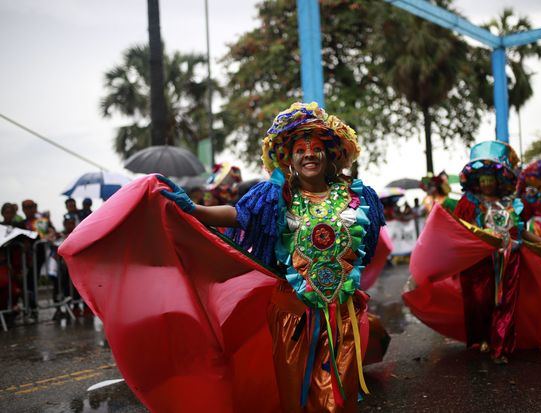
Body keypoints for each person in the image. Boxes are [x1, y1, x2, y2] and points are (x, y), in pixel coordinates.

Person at [60, 102, 389, 412]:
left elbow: (368, 245)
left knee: (338, 399)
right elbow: (237, 215)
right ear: (289, 158)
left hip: (342, 315)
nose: (308, 154)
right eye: (299, 150)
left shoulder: (357, 197)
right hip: (293, 316)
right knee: (297, 399)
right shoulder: (276, 198)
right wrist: (195, 209)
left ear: (330, 153)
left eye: (316, 147)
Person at [403, 141, 541, 365]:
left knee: (505, 303)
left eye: (491, 179)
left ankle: (501, 347)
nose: (487, 184)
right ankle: (483, 339)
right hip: (477, 265)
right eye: (483, 180)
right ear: (477, 181)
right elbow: (456, 232)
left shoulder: (513, 205)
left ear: (499, 180)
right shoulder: (468, 204)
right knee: (478, 303)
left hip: (509, 263)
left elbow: (520, 232)